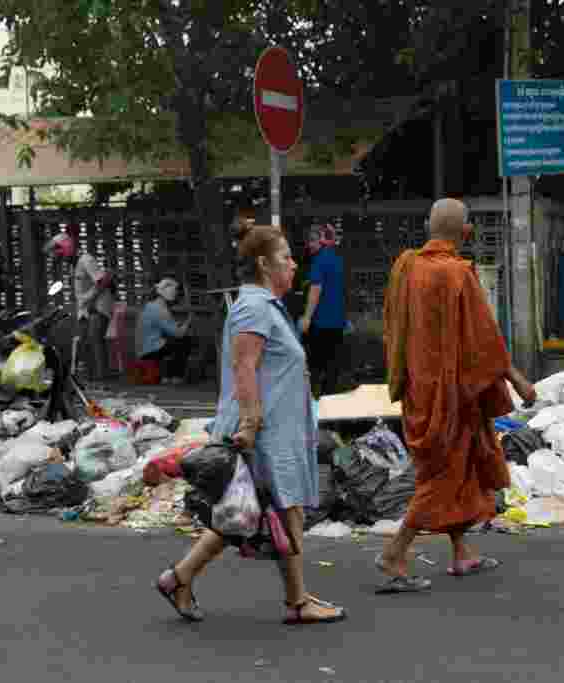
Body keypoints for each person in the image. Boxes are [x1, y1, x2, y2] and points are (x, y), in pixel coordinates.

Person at [155, 216, 346, 625]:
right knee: (281, 511)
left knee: (243, 514)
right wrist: (251, 425)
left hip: (271, 430)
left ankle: (179, 578)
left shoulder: (266, 307)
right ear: (264, 264)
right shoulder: (254, 308)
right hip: (263, 434)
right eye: (287, 257)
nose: (295, 264)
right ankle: (297, 602)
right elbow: (245, 367)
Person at [376, 198, 537, 593]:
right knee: (442, 477)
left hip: (420, 390)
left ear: (429, 226)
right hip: (452, 394)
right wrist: (517, 380)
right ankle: (394, 553)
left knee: (459, 469)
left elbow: (393, 325)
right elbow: (486, 340)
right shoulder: (458, 273)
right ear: (466, 233)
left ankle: (461, 551)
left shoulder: (406, 268)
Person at [45, 232, 114, 381]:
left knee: (95, 340)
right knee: (84, 342)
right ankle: (92, 378)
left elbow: (103, 281)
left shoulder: (86, 260)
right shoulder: (74, 265)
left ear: (66, 248)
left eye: (58, 252)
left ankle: (103, 378)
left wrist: (90, 300)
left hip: (98, 306)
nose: (58, 256)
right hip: (86, 308)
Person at [299, 224, 346, 398]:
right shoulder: (337, 259)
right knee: (331, 369)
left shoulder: (319, 260)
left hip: (320, 323)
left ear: (322, 240)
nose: (309, 245)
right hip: (337, 323)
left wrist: (307, 317)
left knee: (313, 367)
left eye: (312, 241)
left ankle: (313, 403)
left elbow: (316, 288)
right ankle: (329, 403)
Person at [138, 277, 194, 385]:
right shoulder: (161, 309)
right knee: (184, 341)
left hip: (144, 349)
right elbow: (179, 334)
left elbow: (166, 327)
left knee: (172, 343)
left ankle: (167, 375)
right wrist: (188, 322)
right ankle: (174, 377)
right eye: (177, 292)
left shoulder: (150, 305)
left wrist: (177, 326)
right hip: (150, 351)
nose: (178, 295)